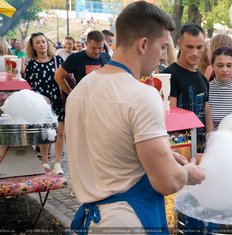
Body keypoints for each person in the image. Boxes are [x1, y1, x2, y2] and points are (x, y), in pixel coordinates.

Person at [66, 1, 205, 233]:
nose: (162, 57)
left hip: (92, 221)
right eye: (162, 47)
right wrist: (187, 173)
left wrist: (163, 155)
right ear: (143, 44)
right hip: (129, 221)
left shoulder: (81, 88)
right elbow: (167, 182)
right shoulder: (143, 95)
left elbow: (107, 146)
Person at [162, 23, 213, 152]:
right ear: (179, 44)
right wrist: (181, 150)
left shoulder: (202, 79)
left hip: (202, 147)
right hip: (178, 146)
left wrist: (211, 142)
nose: (195, 53)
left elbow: (207, 116)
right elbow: (170, 115)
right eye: (189, 47)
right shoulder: (169, 75)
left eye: (199, 47)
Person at [25, 32, 65, 175]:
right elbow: (28, 85)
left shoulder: (57, 60)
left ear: (47, 43)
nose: (41, 44)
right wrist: (40, 96)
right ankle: (45, 161)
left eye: (43, 41)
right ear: (33, 46)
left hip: (58, 100)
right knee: (45, 133)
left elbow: (65, 77)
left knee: (60, 133)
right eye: (38, 42)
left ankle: (58, 163)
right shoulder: (32, 63)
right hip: (42, 102)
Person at [54, 30, 111, 95]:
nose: (97, 51)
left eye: (100, 48)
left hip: (102, 98)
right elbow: (58, 76)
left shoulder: (106, 57)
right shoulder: (75, 58)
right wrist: (71, 94)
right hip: (83, 100)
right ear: (86, 44)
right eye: (94, 48)